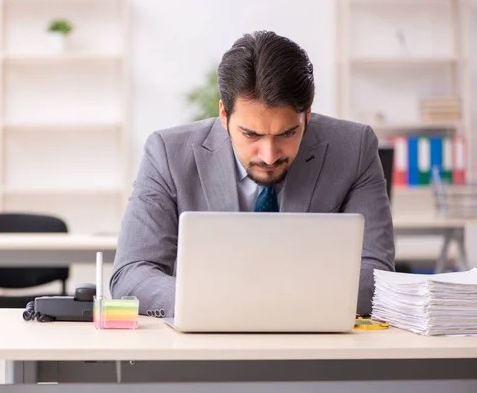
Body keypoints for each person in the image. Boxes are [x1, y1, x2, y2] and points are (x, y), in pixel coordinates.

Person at [109, 30, 395, 317]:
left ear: (307, 115)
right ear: (224, 115)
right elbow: (132, 274)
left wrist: (274, 305)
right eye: (250, 134)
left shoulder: (354, 149)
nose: (269, 155)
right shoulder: (167, 153)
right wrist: (215, 303)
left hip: (315, 348)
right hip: (202, 346)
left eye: (287, 133)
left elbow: (376, 273)